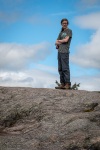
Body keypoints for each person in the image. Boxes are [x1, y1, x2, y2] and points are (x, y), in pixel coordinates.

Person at [55, 18, 72, 89]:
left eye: (66, 23)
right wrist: (58, 43)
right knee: (60, 68)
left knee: (65, 68)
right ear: (61, 24)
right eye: (63, 23)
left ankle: (67, 84)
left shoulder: (69, 31)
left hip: (65, 51)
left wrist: (59, 41)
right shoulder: (61, 33)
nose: (64, 24)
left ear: (67, 24)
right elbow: (56, 43)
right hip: (59, 52)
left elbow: (66, 40)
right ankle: (62, 83)